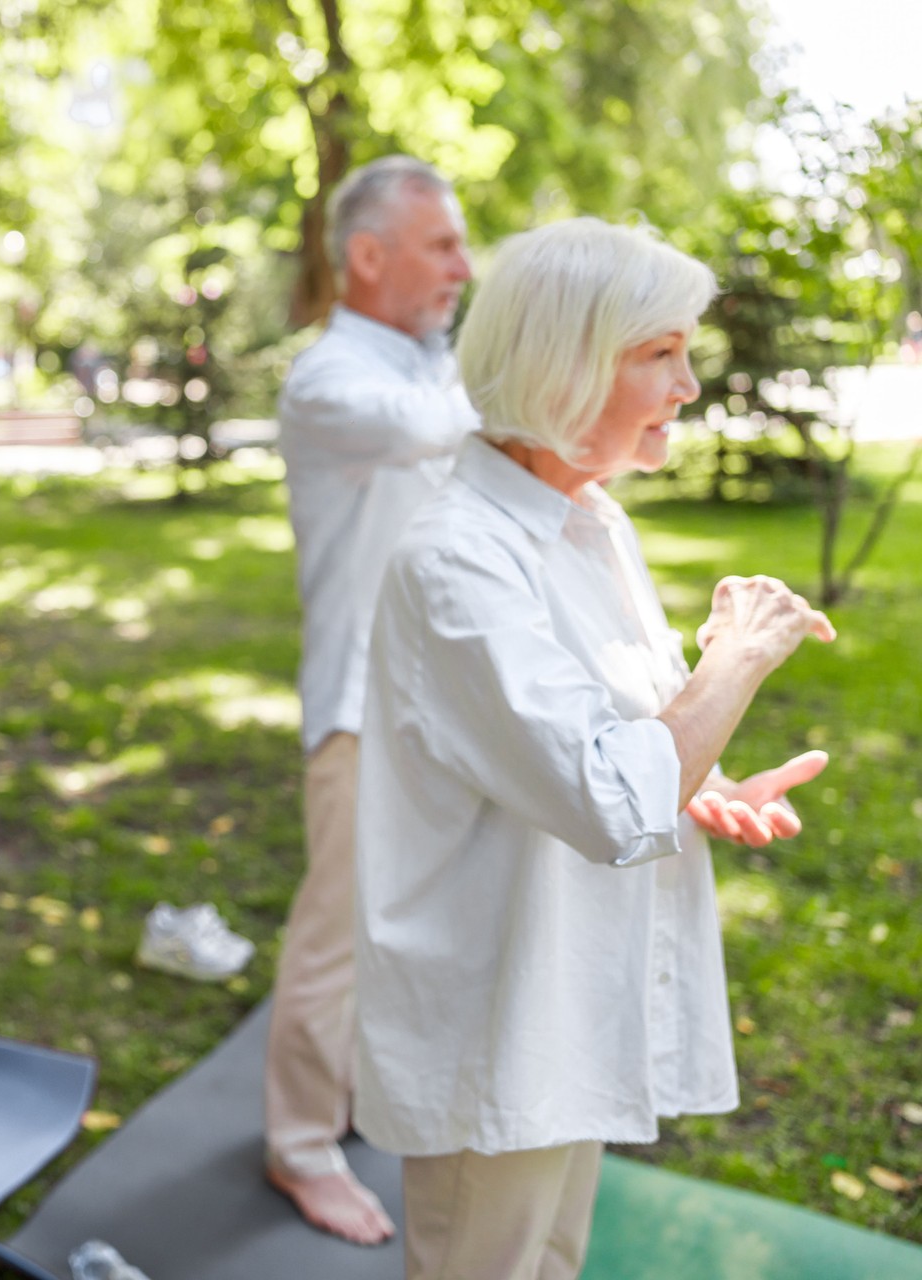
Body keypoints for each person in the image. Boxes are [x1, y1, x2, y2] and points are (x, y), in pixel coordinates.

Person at [352, 218, 835, 1280]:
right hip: (499, 1012)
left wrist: (705, 787)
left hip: (572, 993)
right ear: (564, 364)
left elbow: (625, 754)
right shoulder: (456, 563)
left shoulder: (590, 518)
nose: (689, 384)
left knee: (554, 1262)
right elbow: (617, 797)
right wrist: (739, 657)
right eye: (659, 352)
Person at [263, 154, 478, 1245]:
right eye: (443, 245)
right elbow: (429, 431)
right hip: (358, 704)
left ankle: (349, 1101)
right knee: (336, 935)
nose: (463, 266)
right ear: (367, 256)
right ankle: (300, 1145)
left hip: (438, 703)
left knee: (406, 928)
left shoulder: (426, 363)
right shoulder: (331, 378)